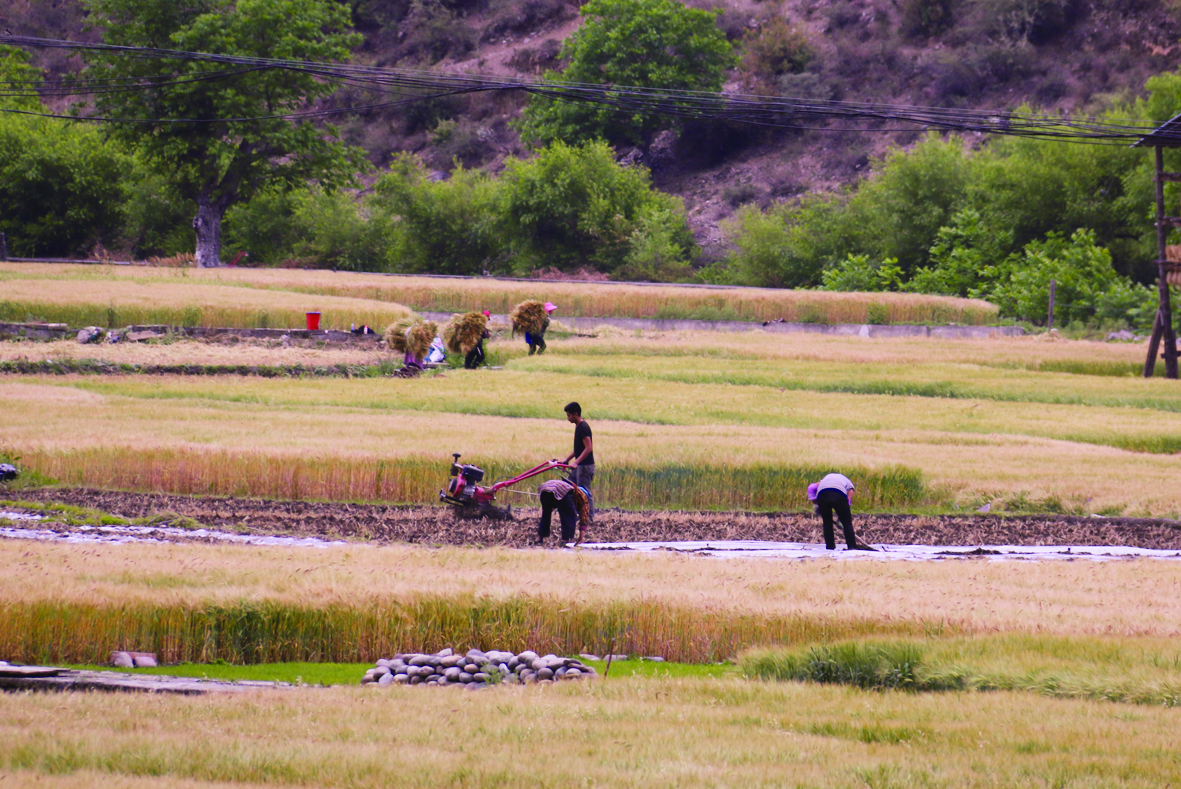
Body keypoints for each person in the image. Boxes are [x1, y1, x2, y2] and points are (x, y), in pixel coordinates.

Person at [810, 472, 870, 551]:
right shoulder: (849, 483)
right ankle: (852, 547)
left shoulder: (823, 481)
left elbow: (810, 488)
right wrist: (843, 515)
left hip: (822, 495)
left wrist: (816, 505)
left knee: (827, 523)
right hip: (838, 494)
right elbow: (849, 495)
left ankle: (830, 547)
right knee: (847, 523)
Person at [536, 478, 592, 547]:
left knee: (546, 513)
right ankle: (566, 540)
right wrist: (581, 538)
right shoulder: (583, 497)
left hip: (545, 488)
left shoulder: (570, 488)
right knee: (570, 516)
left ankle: (541, 537)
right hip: (560, 489)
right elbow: (584, 518)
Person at [562, 401, 594, 497]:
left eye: (569, 416)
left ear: (576, 414)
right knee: (568, 486)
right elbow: (578, 449)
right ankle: (571, 511)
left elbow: (588, 448)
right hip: (579, 465)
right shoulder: (578, 426)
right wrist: (567, 460)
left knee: (584, 492)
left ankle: (589, 512)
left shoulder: (583, 427)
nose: (568, 418)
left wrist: (576, 462)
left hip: (585, 466)